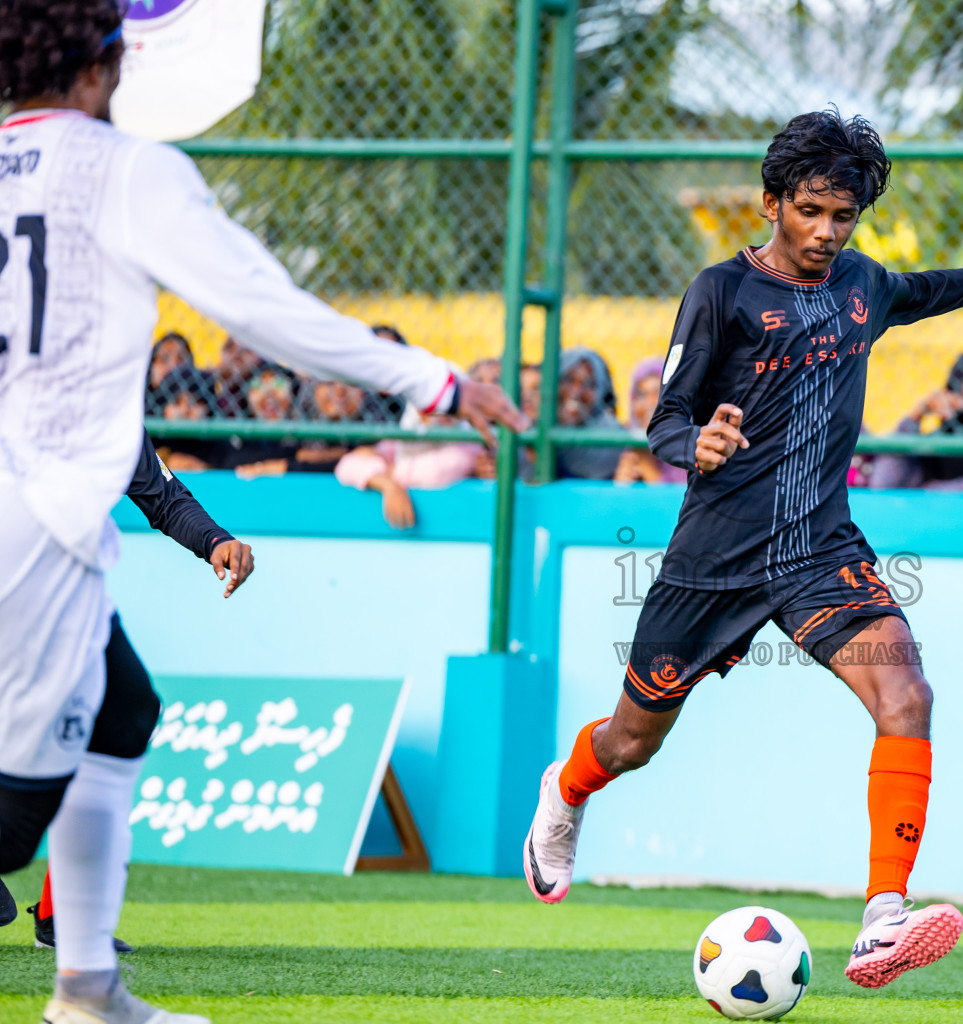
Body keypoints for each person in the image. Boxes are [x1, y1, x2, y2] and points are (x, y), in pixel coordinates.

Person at [0, 7, 526, 1022]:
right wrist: (433, 379)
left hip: (33, 500)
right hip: (38, 519)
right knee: (14, 816)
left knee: (124, 710)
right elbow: (262, 307)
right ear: (108, 63)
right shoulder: (124, 168)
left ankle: (87, 984)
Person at [521, 109, 963, 989]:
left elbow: (949, 286)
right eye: (810, 210)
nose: (825, 232)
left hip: (822, 551)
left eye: (842, 216)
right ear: (772, 201)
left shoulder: (863, 285)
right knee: (630, 744)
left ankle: (883, 920)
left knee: (907, 694)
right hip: (715, 558)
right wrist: (691, 443)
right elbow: (666, 414)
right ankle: (568, 791)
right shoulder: (721, 292)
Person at [9, 429, 255, 953]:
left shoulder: (104, 401)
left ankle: (65, 916)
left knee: (126, 713)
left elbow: (160, 494)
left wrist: (214, 540)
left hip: (68, 597)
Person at [867, 345, 963, 491]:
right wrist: (917, 414)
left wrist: (928, 492)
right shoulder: (937, 441)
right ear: (958, 384)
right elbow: (883, 483)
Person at [334, 407, 485, 529]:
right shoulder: (398, 445)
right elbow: (346, 466)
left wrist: (384, 471)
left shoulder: (468, 447)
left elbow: (433, 472)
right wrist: (388, 485)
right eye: (423, 411)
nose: (433, 418)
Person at [555, 346, 625, 480]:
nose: (576, 392)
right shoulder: (536, 427)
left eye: (588, 384)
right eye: (568, 380)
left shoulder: (611, 439)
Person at [614, 356, 688, 484]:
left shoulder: (687, 444)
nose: (649, 402)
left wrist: (645, 463)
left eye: (657, 393)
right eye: (641, 395)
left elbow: (675, 500)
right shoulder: (623, 441)